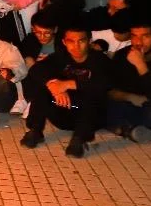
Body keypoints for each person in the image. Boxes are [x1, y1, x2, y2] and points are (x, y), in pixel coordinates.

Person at [20, 20, 113, 158]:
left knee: (92, 94)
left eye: (81, 41)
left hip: (89, 115)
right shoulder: (61, 57)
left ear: (89, 41)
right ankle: (35, 130)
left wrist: (67, 84)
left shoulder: (100, 60)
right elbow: (36, 70)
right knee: (42, 88)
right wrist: (53, 86)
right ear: (64, 42)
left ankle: (79, 139)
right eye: (71, 41)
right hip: (63, 109)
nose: (76, 46)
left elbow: (106, 83)